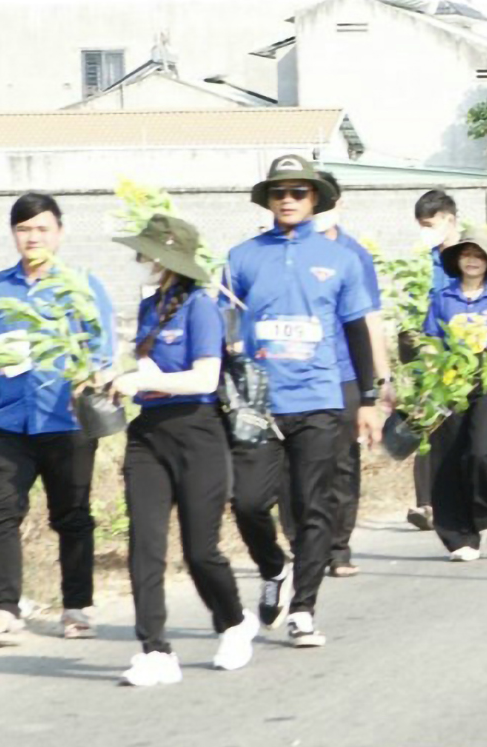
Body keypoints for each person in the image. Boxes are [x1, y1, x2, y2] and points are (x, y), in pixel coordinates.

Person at [0, 191, 117, 646]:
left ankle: (77, 606)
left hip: (67, 423)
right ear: (13, 235)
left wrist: (93, 375)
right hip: (8, 424)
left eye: (41, 228)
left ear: (59, 232)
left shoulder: (82, 285)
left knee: (73, 516)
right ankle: (2, 609)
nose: (32, 237)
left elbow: (103, 348)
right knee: (0, 513)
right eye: (23, 229)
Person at [224, 153, 383, 648]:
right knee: (248, 502)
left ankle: (303, 608)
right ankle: (273, 568)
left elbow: (357, 328)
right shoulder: (243, 257)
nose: (288, 200)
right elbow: (224, 322)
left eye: (298, 192)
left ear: (315, 198)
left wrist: (370, 396)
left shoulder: (341, 259)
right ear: (268, 200)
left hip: (319, 397)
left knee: (314, 507)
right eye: (279, 193)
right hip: (260, 404)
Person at [105, 212, 255, 685]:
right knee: (145, 546)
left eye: (152, 251)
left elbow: (204, 378)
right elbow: (147, 371)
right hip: (149, 435)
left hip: (198, 432)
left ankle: (233, 621)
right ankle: (155, 651)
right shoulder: (152, 306)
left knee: (199, 550)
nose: (143, 258)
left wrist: (143, 381)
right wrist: (116, 380)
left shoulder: (202, 307)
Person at [424, 225, 487, 561]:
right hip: (448, 387)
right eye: (467, 253)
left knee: (479, 454)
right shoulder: (442, 299)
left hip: (484, 386)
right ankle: (459, 537)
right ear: (457, 259)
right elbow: (432, 346)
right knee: (447, 461)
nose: (472, 260)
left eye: (479, 255)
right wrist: (430, 390)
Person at [314, 173, 392, 578]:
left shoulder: (353, 255)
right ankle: (304, 544)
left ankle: (339, 547)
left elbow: (370, 320)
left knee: (343, 463)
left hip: (344, 373)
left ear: (338, 203)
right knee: (299, 465)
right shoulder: (281, 251)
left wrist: (381, 381)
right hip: (297, 376)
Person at [405, 189, 464, 533]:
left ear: (449, 220)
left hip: (466, 357)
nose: (426, 231)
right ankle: (424, 503)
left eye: (430, 224)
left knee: (461, 433)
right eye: (421, 225)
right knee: (426, 425)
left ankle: (460, 498)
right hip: (429, 355)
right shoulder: (423, 260)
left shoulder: (473, 254)